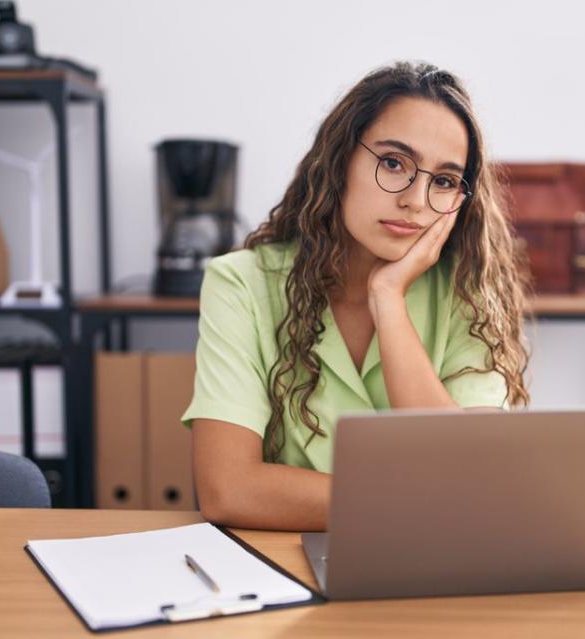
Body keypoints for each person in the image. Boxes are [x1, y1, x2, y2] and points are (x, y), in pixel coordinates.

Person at [181, 61, 530, 531]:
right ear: (340, 159)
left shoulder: (466, 290)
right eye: (393, 163)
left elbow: (468, 475)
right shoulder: (241, 283)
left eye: (444, 181)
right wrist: (417, 504)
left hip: (431, 564)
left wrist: (388, 299)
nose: (416, 199)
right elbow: (228, 490)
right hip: (283, 563)